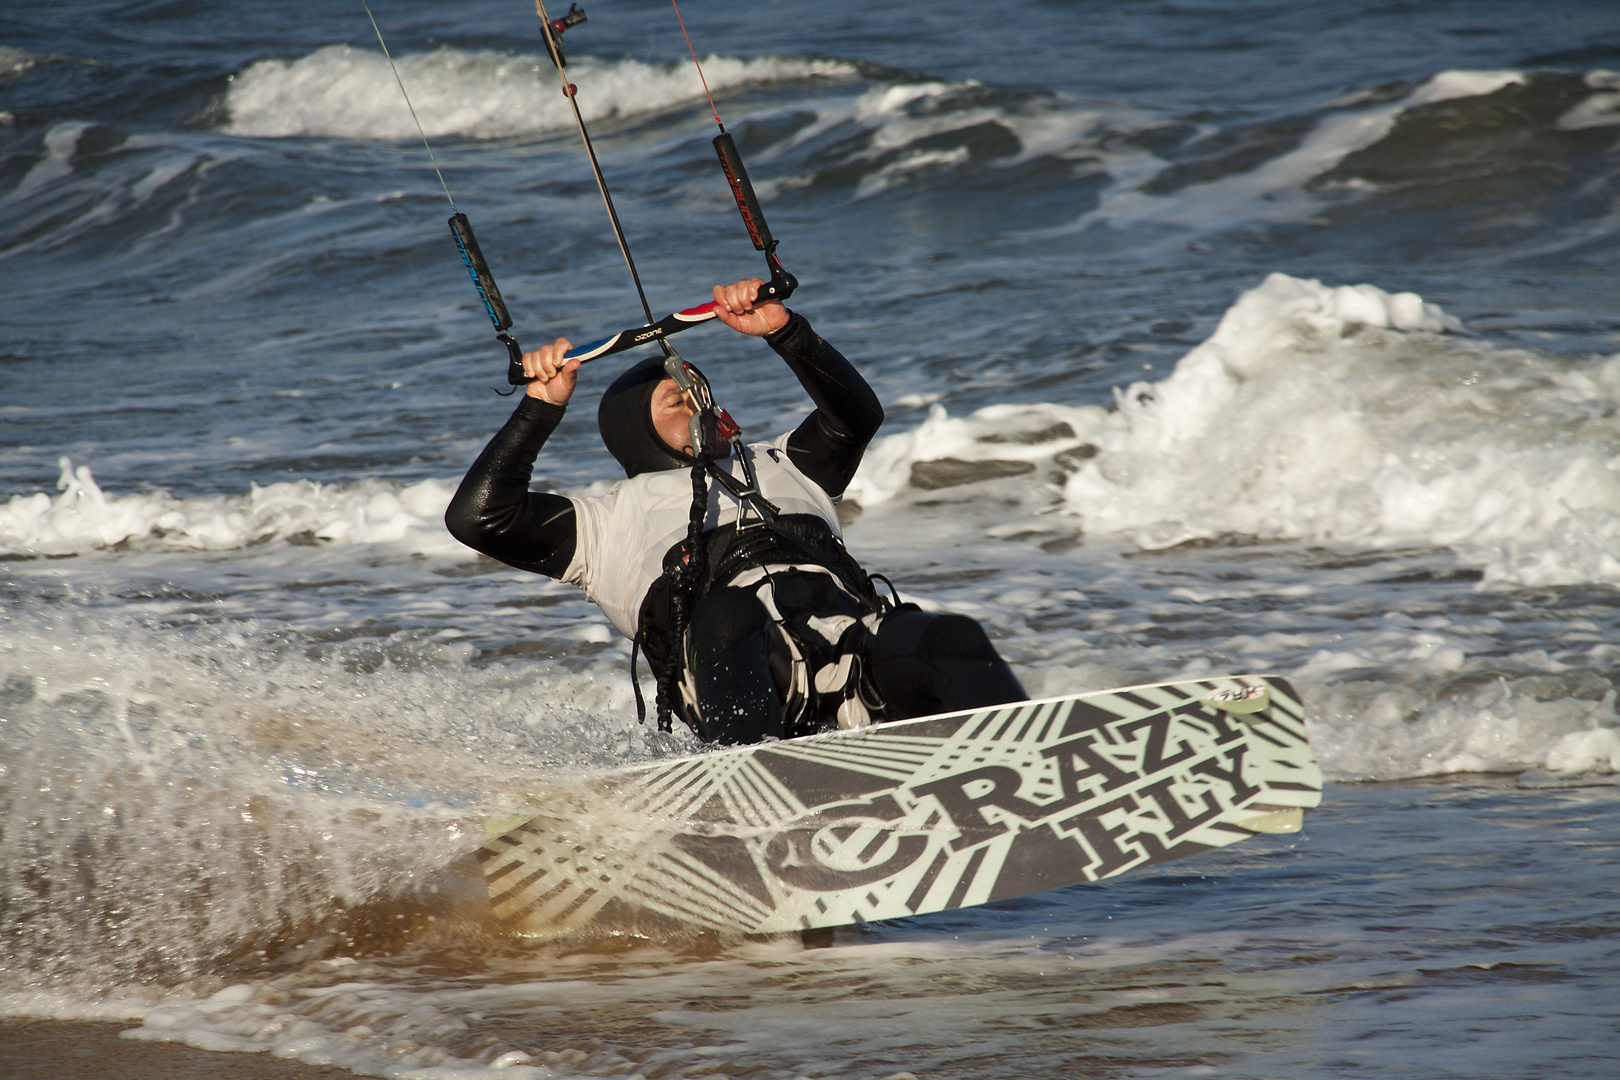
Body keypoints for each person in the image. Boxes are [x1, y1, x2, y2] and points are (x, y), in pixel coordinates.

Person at [446, 279, 1026, 744]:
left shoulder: (783, 463)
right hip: (736, 684)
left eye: (705, 394)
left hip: (849, 657)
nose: (702, 404)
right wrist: (538, 409)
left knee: (945, 634)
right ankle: (752, 787)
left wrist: (786, 332)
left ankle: (1024, 755)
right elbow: (478, 518)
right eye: (680, 399)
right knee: (727, 611)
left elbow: (856, 418)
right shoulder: (603, 524)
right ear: (634, 429)